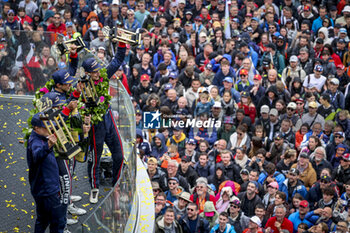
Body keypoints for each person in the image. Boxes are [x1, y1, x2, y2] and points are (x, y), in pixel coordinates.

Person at [82, 41, 126, 203]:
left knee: (119, 155)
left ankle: (116, 183)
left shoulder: (103, 75)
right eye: (93, 71)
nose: (97, 73)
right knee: (95, 158)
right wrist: (84, 116)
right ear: (86, 73)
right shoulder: (81, 86)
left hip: (108, 119)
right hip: (95, 124)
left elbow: (117, 60)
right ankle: (94, 186)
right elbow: (78, 105)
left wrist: (122, 43)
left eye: (97, 70)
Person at [27, 113, 65, 233]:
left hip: (43, 188)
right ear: (36, 128)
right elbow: (37, 155)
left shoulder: (42, 137)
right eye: (46, 127)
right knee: (58, 222)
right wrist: (49, 145)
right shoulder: (36, 142)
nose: (50, 129)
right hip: (47, 190)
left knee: (43, 220)